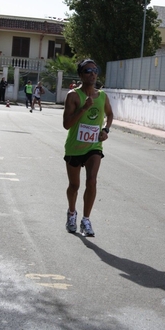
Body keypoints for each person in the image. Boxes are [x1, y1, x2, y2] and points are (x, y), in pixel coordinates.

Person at [63, 58, 113, 236]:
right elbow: (67, 125)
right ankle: (71, 213)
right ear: (80, 75)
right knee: (74, 185)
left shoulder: (103, 96)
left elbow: (110, 114)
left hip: (94, 146)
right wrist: (83, 109)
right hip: (74, 147)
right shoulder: (73, 96)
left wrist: (106, 129)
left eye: (95, 70)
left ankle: (86, 220)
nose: (92, 73)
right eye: (88, 71)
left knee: (92, 181)